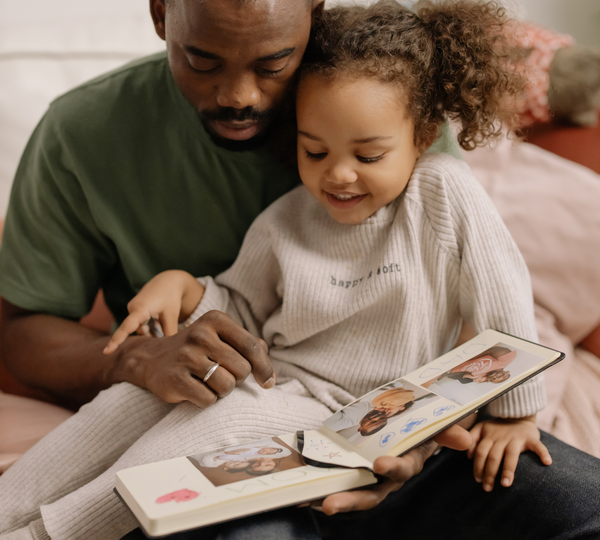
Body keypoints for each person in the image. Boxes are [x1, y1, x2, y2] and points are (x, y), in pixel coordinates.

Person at [1, 2, 599, 540]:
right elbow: (237, 305)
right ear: (160, 16)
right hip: (285, 390)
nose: (339, 175)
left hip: (387, 419)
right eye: (314, 152)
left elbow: (501, 302)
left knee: (193, 437)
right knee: (127, 407)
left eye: (272, 64)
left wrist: (506, 412)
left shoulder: (432, 173)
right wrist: (183, 292)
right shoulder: (284, 219)